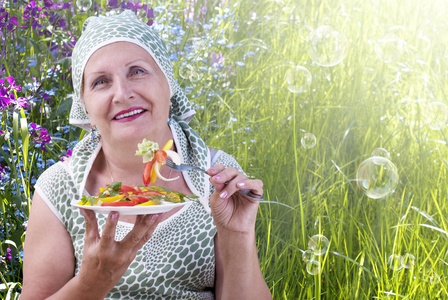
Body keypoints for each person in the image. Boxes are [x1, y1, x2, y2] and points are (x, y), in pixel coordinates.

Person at [21, 10, 272, 300]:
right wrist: (91, 284)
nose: (122, 93)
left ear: (168, 84)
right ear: (85, 107)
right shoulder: (60, 189)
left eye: (137, 71)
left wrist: (237, 235)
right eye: (101, 81)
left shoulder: (216, 177)